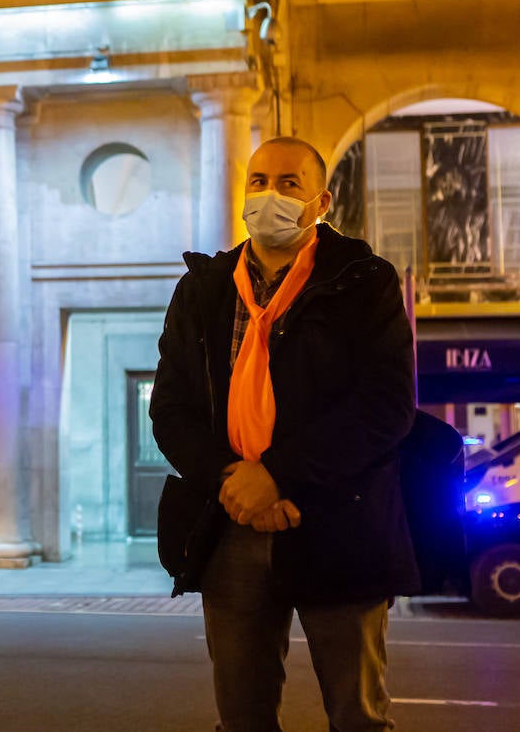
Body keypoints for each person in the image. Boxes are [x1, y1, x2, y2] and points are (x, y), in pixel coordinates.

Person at [150, 137, 420, 732]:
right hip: (231, 527)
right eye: (257, 181)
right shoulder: (203, 288)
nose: (268, 195)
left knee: (358, 717)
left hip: (338, 523)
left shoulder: (362, 281)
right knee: (242, 717)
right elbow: (169, 409)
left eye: (288, 184)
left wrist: (277, 475)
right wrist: (232, 480)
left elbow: (386, 406)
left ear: (320, 201)